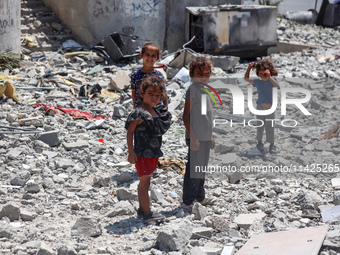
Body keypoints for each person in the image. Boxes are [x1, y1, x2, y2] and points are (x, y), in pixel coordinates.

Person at [125, 74, 172, 224]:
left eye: (157, 95)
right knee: (144, 183)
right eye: (150, 94)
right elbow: (130, 132)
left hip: (152, 154)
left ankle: (142, 209)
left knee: (147, 181)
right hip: (143, 154)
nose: (154, 98)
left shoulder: (157, 110)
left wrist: (163, 97)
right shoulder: (139, 112)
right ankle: (147, 213)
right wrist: (131, 152)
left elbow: (165, 108)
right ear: (142, 94)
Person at [181, 56, 216, 212]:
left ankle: (200, 196)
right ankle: (187, 200)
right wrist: (193, 137)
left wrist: (211, 136)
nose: (203, 76)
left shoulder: (205, 91)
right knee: (193, 170)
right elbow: (185, 116)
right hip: (196, 137)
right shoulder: (192, 90)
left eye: (207, 73)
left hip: (205, 137)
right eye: (199, 73)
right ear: (192, 74)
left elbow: (206, 117)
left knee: (202, 168)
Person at [244, 59, 280, 154]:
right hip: (260, 107)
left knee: (270, 127)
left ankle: (272, 144)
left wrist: (270, 76)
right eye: (261, 74)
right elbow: (246, 79)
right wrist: (249, 68)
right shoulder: (258, 82)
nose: (263, 76)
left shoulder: (272, 81)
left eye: (265, 74)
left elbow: (277, 86)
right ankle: (259, 142)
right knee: (260, 126)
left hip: (270, 109)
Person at [130, 42, 168, 108]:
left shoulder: (159, 75)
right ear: (141, 55)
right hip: (141, 110)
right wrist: (134, 108)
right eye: (147, 55)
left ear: (157, 58)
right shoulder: (135, 75)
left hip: (156, 110)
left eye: (153, 56)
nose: (150, 58)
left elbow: (164, 93)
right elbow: (134, 92)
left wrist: (166, 110)